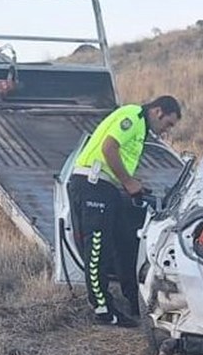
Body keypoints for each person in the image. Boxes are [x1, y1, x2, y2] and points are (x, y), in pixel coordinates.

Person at [67, 96, 182, 326]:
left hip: (107, 187)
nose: (166, 131)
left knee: (124, 242)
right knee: (98, 247)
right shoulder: (132, 117)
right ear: (157, 111)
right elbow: (109, 148)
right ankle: (103, 310)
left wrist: (131, 184)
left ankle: (134, 300)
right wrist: (129, 183)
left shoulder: (140, 128)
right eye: (168, 124)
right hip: (93, 184)